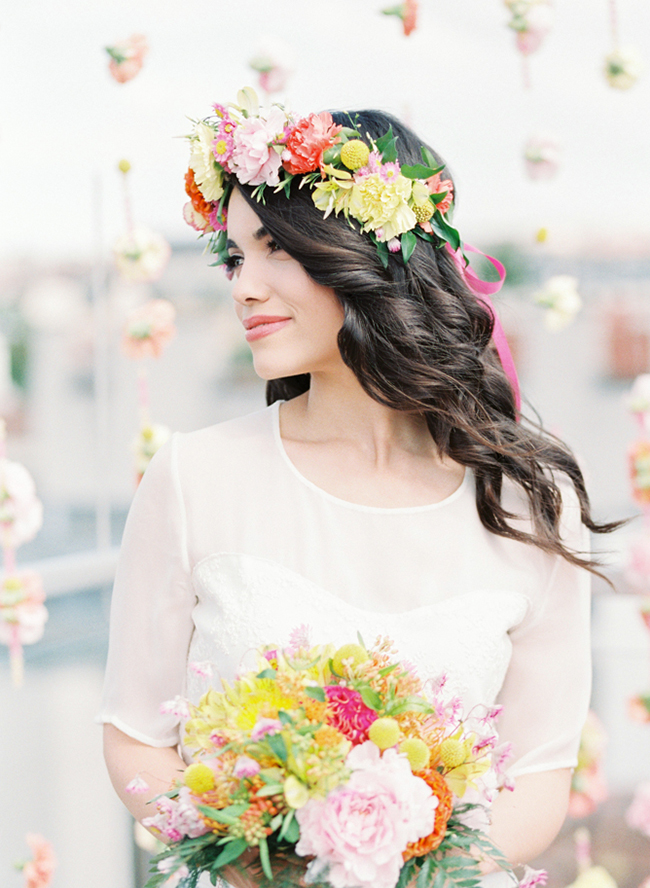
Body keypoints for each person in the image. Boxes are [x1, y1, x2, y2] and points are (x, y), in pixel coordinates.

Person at [99, 98, 616, 885]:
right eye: (235, 257)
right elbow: (135, 736)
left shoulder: (529, 502)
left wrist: (398, 872)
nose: (243, 286)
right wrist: (262, 866)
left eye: (276, 248)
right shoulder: (192, 477)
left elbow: (541, 777)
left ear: (367, 249)